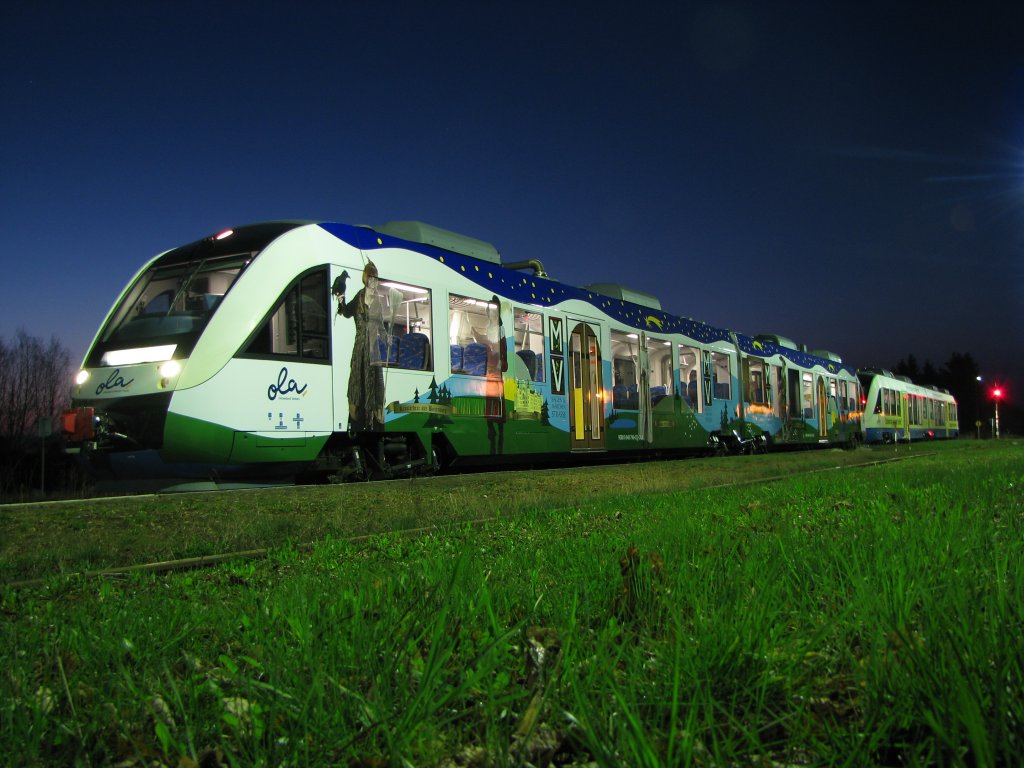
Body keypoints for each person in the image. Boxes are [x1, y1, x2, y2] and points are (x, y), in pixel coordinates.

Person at [335, 262, 385, 431]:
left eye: (376, 278)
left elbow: (380, 327)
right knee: (358, 385)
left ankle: (372, 423)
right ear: (367, 279)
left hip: (372, 351)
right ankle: (358, 421)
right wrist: (341, 297)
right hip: (360, 350)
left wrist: (387, 338)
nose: (374, 281)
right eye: (372, 278)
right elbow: (346, 312)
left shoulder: (377, 301)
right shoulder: (359, 297)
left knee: (373, 388)